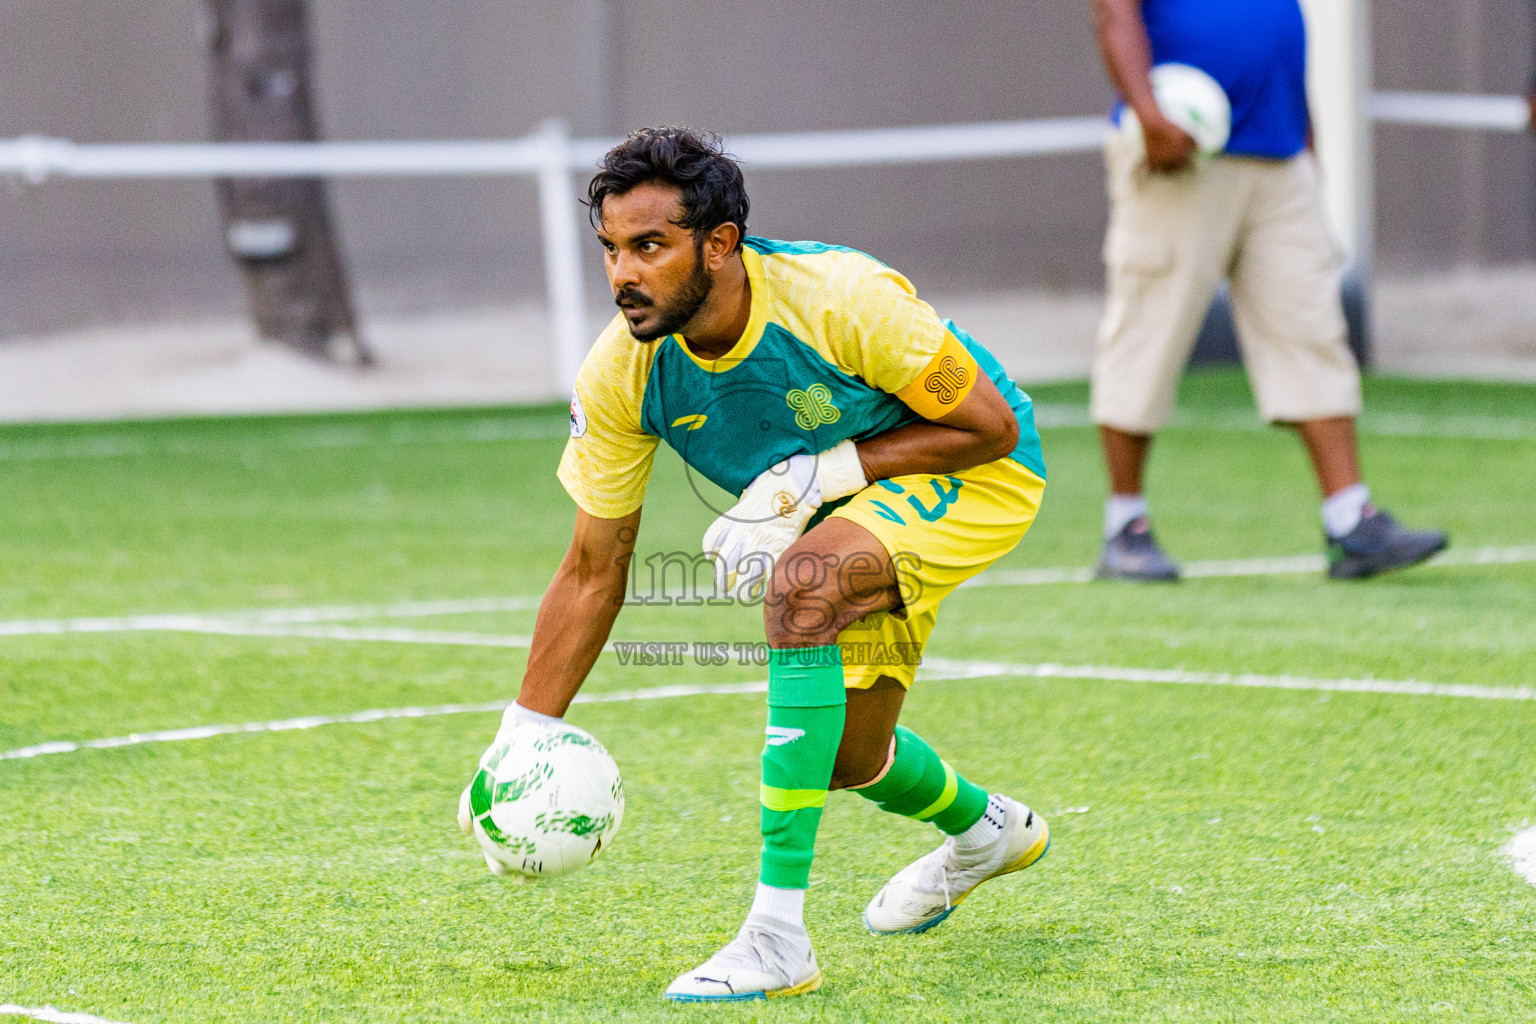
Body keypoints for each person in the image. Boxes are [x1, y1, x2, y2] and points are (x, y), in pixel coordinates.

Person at [459, 126, 1052, 1001]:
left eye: (650, 246)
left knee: (800, 589)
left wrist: (817, 474)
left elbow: (989, 427)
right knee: (851, 757)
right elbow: (593, 567)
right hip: (852, 518)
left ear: (721, 243)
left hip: (973, 474)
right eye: (612, 250)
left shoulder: (838, 296)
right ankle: (988, 831)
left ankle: (776, 939)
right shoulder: (623, 373)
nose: (624, 274)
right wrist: (524, 729)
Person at [1090, 0, 1448, 581]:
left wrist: (1308, 142)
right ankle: (1124, 525)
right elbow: (1114, 13)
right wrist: (1149, 117)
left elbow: (1280, 35)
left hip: (1280, 157)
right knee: (1147, 330)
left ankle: (1350, 520)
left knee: (1313, 330)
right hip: (1181, 154)